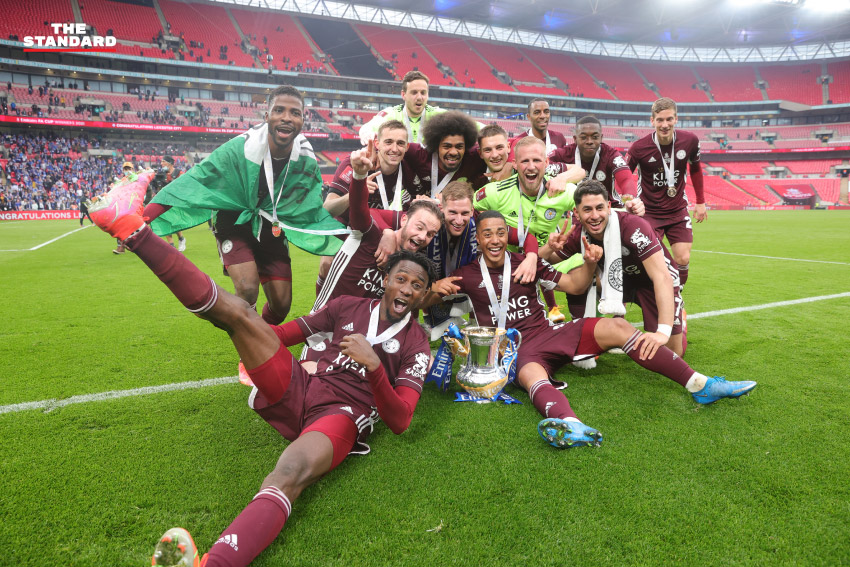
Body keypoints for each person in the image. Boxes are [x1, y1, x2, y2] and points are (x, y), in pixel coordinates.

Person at [85, 171, 435, 567]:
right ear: (386, 280)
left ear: (423, 295)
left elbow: (401, 420)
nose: (406, 289)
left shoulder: (417, 343)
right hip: (304, 383)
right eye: (401, 279)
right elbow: (281, 334)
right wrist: (247, 337)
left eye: (417, 286)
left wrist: (373, 367)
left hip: (342, 414)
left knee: (290, 472)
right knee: (238, 313)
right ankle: (130, 228)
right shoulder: (347, 306)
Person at [428, 210, 757, 449]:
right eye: (487, 234)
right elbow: (428, 302)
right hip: (514, 350)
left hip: (549, 333)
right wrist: (434, 289)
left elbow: (574, 285)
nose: (495, 240)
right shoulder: (466, 274)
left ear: (506, 235)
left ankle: (700, 384)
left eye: (500, 233)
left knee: (617, 326)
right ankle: (571, 425)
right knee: (532, 377)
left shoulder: (528, 262)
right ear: (478, 239)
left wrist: (588, 262)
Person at [143, 85, 346, 327]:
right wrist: (144, 218)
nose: (287, 118)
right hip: (233, 219)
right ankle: (247, 340)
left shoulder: (305, 158)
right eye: (279, 110)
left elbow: (311, 209)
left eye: (295, 113)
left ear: (303, 120)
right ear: (267, 116)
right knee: (248, 289)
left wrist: (353, 205)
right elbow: (195, 180)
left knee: (281, 306)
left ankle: (252, 330)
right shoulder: (240, 147)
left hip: (271, 225)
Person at [540, 181, 685, 355]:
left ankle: (678, 318)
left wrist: (663, 332)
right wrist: (550, 247)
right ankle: (583, 337)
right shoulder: (578, 234)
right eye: (587, 210)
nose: (595, 216)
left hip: (651, 284)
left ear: (609, 207)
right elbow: (542, 260)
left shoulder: (633, 227)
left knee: (672, 353)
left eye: (599, 208)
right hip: (617, 280)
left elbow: (662, 277)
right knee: (577, 276)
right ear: (576, 213)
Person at [473, 136, 585, 323]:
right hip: (511, 264)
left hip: (550, 257)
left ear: (546, 163)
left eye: (536, 160)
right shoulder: (495, 192)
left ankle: (581, 322)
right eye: (525, 161)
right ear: (515, 164)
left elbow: (591, 208)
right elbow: (469, 209)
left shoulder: (564, 191)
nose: (531, 167)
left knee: (586, 265)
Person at [317, 119, 425, 296]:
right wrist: (356, 191)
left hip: (378, 228)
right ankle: (322, 309)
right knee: (327, 264)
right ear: (377, 143)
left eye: (400, 143)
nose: (394, 149)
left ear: (407, 147)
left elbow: (412, 213)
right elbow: (328, 209)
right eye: (388, 142)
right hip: (346, 226)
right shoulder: (356, 164)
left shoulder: (409, 172)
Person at [626, 98, 706, 287]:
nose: (664, 125)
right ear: (652, 121)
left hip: (677, 210)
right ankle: (648, 292)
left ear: (676, 119)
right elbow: (623, 175)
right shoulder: (639, 148)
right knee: (652, 260)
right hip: (648, 212)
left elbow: (696, 169)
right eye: (660, 120)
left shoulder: (690, 141)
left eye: (669, 119)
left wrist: (700, 201)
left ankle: (677, 294)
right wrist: (628, 199)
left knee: (683, 258)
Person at [548, 115, 639, 209]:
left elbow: (626, 179)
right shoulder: (562, 154)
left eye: (595, 137)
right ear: (575, 139)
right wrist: (561, 177)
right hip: (572, 209)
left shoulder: (611, 154)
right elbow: (543, 164)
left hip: (608, 208)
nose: (589, 141)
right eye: (583, 137)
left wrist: (630, 198)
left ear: (601, 138)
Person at [403, 110, 486, 199]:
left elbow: (494, 152)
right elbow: (395, 150)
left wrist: (497, 171)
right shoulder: (417, 153)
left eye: (459, 146)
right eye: (447, 146)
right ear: (436, 146)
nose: (453, 152)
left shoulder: (475, 156)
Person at [358, 71, 445, 145]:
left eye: (423, 93)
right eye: (414, 92)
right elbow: (367, 128)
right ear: (403, 95)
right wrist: (367, 134)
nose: (419, 97)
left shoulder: (439, 115)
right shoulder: (392, 113)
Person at [158, 156, 186, 252]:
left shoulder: (179, 173)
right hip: (164, 200)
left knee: (174, 222)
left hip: (175, 201)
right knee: (165, 221)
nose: (161, 163)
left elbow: (184, 184)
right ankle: (171, 245)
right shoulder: (162, 174)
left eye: (163, 161)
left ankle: (181, 238)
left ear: (169, 163)